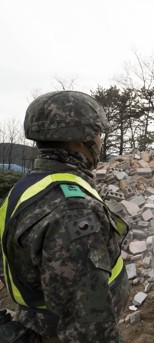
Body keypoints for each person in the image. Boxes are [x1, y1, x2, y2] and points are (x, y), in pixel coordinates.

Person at [0, 91, 130, 342]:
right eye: (98, 134)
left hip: (36, 322)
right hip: (58, 333)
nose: (100, 142)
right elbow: (88, 326)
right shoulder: (73, 211)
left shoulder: (27, 186)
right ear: (82, 139)